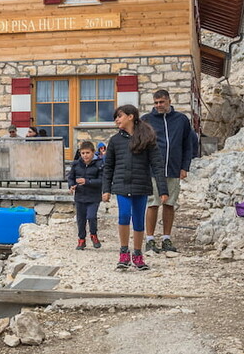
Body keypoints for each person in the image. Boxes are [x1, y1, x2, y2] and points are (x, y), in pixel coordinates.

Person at [102, 104, 169, 271]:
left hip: (141, 186)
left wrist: (163, 189)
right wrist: (106, 189)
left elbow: (157, 165)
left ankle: (138, 255)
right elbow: (108, 167)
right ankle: (124, 253)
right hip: (122, 186)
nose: (117, 120)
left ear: (130, 116)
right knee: (124, 216)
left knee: (138, 221)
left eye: (119, 116)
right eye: (115, 117)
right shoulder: (115, 141)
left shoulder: (147, 138)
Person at [141, 89, 195, 256]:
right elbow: (139, 145)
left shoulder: (181, 120)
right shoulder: (146, 120)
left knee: (169, 203)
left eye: (162, 102)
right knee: (153, 203)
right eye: (156, 103)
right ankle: (150, 239)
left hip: (173, 168)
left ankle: (166, 238)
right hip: (152, 171)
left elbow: (189, 144)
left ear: (169, 101)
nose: (159, 105)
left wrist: (185, 166)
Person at [68, 141, 103, 250]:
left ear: (93, 152)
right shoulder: (76, 164)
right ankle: (81, 240)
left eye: (87, 153)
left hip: (93, 196)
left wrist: (87, 181)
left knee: (91, 217)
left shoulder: (99, 164)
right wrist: (71, 185)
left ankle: (93, 235)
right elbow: (70, 178)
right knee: (81, 219)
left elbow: (102, 180)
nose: (85, 155)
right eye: (83, 153)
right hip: (80, 196)